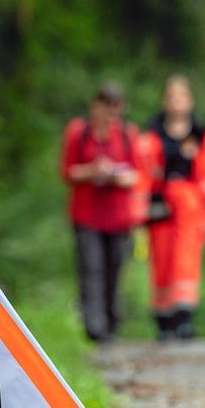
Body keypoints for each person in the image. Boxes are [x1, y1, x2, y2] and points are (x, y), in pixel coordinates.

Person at [136, 76, 205, 341]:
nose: (177, 101)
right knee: (162, 263)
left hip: (191, 211)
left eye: (181, 95)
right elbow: (143, 174)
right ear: (165, 100)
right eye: (172, 96)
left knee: (186, 264)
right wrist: (140, 208)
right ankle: (164, 322)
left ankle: (185, 319)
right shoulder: (150, 136)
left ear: (190, 100)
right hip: (161, 210)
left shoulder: (204, 137)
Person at [60, 82, 141, 343]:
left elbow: (137, 173)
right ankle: (95, 328)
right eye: (105, 107)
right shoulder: (78, 132)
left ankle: (111, 321)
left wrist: (115, 175)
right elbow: (68, 171)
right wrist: (93, 170)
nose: (110, 114)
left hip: (118, 218)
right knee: (91, 269)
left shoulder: (128, 134)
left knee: (114, 270)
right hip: (87, 216)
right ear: (95, 106)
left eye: (115, 108)